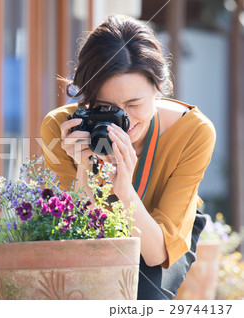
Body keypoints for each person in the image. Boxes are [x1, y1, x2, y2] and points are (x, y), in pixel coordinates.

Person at [40, 15, 216, 300]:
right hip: (94, 225)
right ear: (86, 99)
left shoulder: (194, 131)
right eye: (106, 108)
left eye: (134, 104)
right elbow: (74, 237)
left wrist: (124, 192)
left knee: (141, 296)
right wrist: (84, 172)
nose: (124, 120)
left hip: (161, 228)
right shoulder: (63, 128)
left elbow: (157, 252)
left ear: (159, 89)